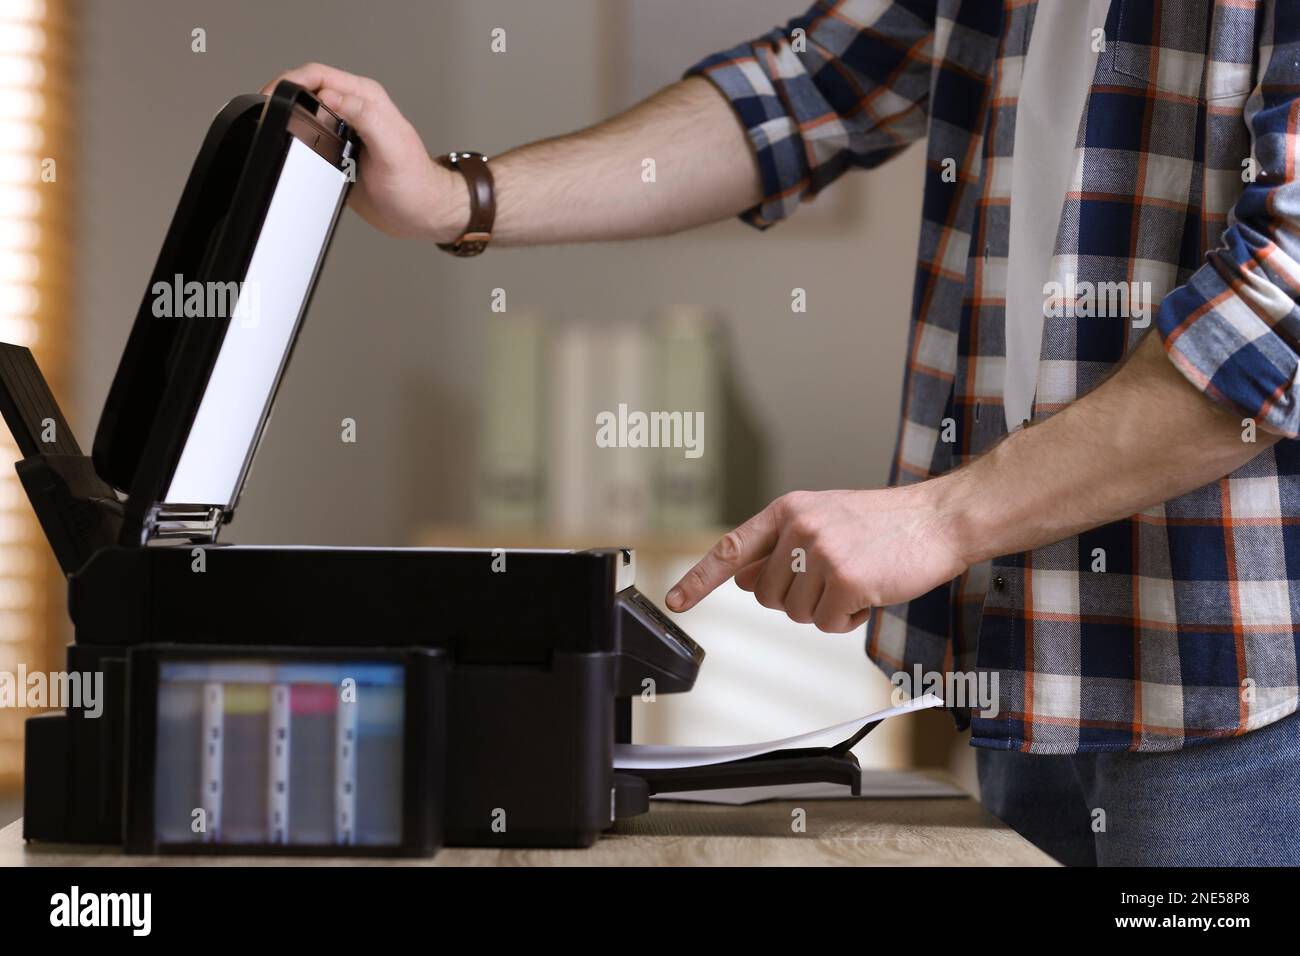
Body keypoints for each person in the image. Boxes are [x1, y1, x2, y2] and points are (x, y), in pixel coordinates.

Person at [264, 0, 1300, 866]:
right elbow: (802, 92)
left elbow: (1279, 311)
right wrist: (458, 197)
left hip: (1242, 700)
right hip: (1031, 653)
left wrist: (941, 517)